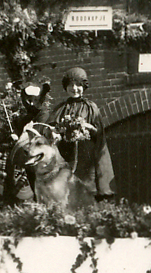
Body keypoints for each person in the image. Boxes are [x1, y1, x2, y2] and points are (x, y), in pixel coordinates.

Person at [38, 67, 115, 199]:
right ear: (66, 87)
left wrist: (88, 127)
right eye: (71, 85)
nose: (74, 88)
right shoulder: (60, 109)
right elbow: (48, 130)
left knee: (86, 190)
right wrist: (55, 133)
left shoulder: (91, 108)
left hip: (86, 157)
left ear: (84, 86)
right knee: (66, 191)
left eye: (78, 85)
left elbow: (99, 134)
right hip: (65, 157)